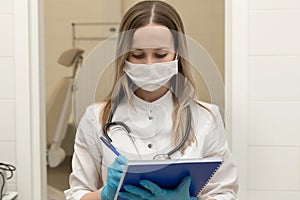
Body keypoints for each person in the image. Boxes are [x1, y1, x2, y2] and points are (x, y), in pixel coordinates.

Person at [65, 1, 238, 200]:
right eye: (137, 55)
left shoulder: (206, 119)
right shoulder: (96, 118)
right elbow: (76, 195)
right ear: (124, 56)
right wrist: (104, 195)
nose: (149, 64)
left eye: (160, 54)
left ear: (178, 54)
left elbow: (225, 194)